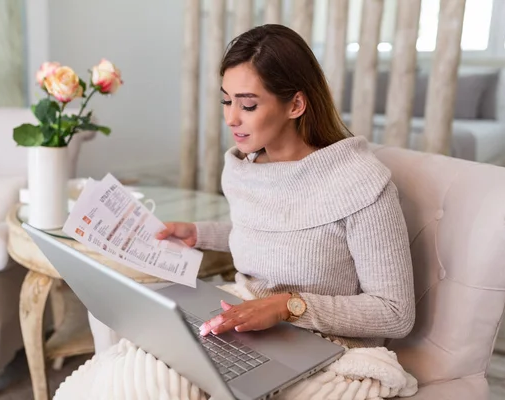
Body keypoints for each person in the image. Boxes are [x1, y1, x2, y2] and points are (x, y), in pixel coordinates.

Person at [156, 24, 416, 348]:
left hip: (326, 347)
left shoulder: (361, 185)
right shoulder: (244, 168)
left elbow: (395, 313)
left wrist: (288, 307)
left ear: (295, 105)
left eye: (248, 105)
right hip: (245, 320)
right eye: (226, 101)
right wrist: (200, 234)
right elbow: (281, 233)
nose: (231, 118)